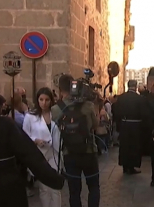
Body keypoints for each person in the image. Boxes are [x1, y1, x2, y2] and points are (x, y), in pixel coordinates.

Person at [51, 74, 100, 207]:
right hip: (89, 151)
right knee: (94, 186)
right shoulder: (88, 105)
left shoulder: (55, 110)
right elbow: (95, 126)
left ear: (60, 89)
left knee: (74, 191)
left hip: (69, 153)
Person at [23, 87, 61, 207]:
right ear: (37, 100)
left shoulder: (55, 114)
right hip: (40, 155)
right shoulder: (30, 116)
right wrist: (35, 141)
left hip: (55, 153)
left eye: (47, 100)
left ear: (51, 100)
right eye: (41, 99)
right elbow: (24, 136)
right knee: (44, 188)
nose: (44, 103)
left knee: (55, 187)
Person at [113, 80, 150, 174]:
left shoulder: (121, 98)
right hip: (136, 125)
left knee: (125, 146)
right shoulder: (140, 99)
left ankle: (125, 166)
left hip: (124, 124)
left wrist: (119, 125)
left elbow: (116, 112)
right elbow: (144, 114)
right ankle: (132, 166)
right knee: (134, 146)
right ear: (136, 86)